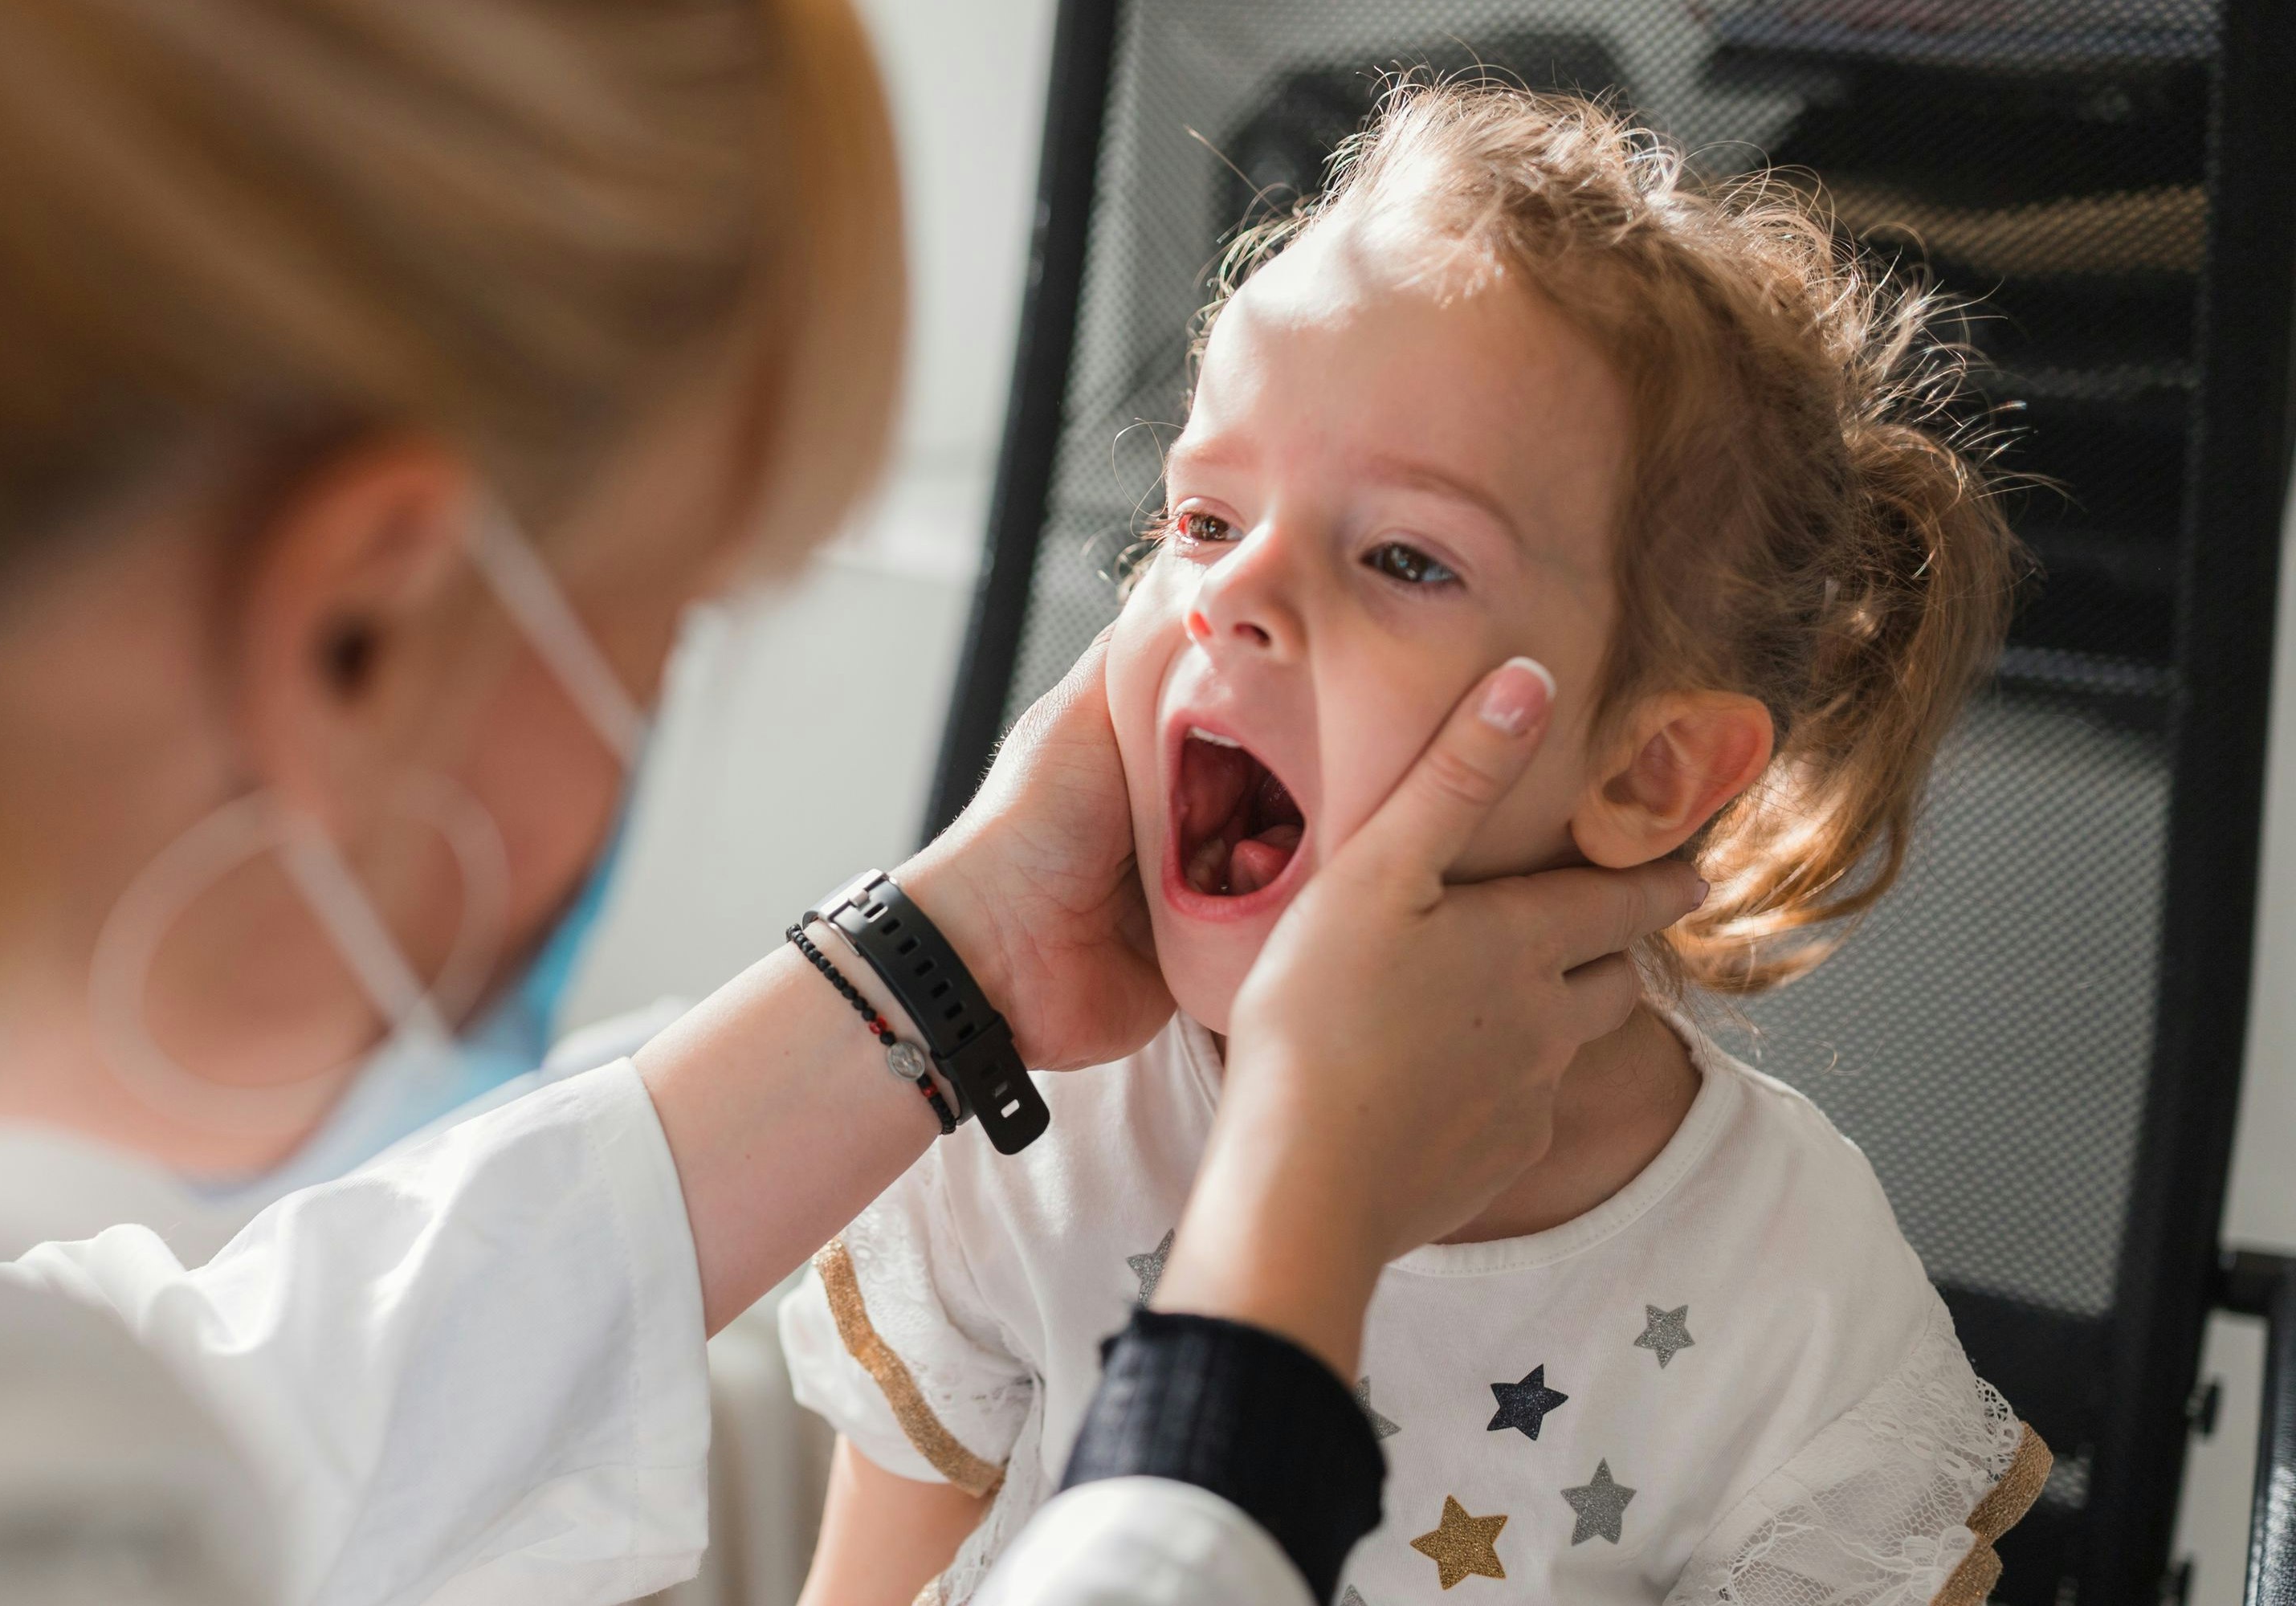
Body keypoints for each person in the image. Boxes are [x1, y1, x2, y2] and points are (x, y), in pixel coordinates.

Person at [0, 6, 1697, 1605]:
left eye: (1386, 558)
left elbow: (215, 1440)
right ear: (358, 613)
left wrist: (956, 970)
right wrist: (1279, 1297)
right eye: (673, 617)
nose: (1226, 618)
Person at [782, 84, 2048, 1606]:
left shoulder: (1793, 1297)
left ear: (1650, 769)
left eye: (1401, 557)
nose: (1231, 596)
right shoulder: (1035, 1114)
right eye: (1201, 520)